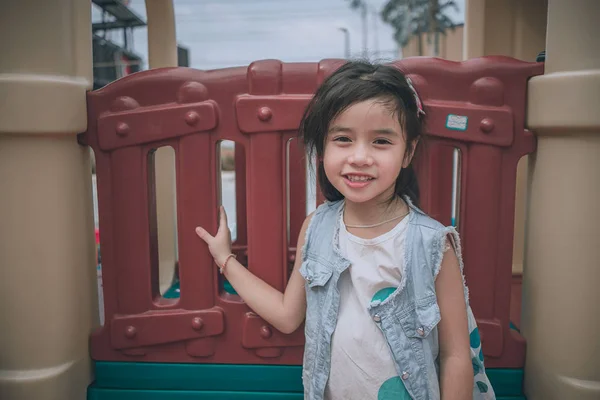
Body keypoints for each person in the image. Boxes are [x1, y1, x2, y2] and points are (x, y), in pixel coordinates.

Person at [196, 61, 495, 400]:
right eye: (342, 139)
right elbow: (287, 315)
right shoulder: (318, 227)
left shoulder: (431, 243)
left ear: (408, 151)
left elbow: (456, 356)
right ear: (322, 150)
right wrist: (225, 259)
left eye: (381, 141)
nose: (359, 157)